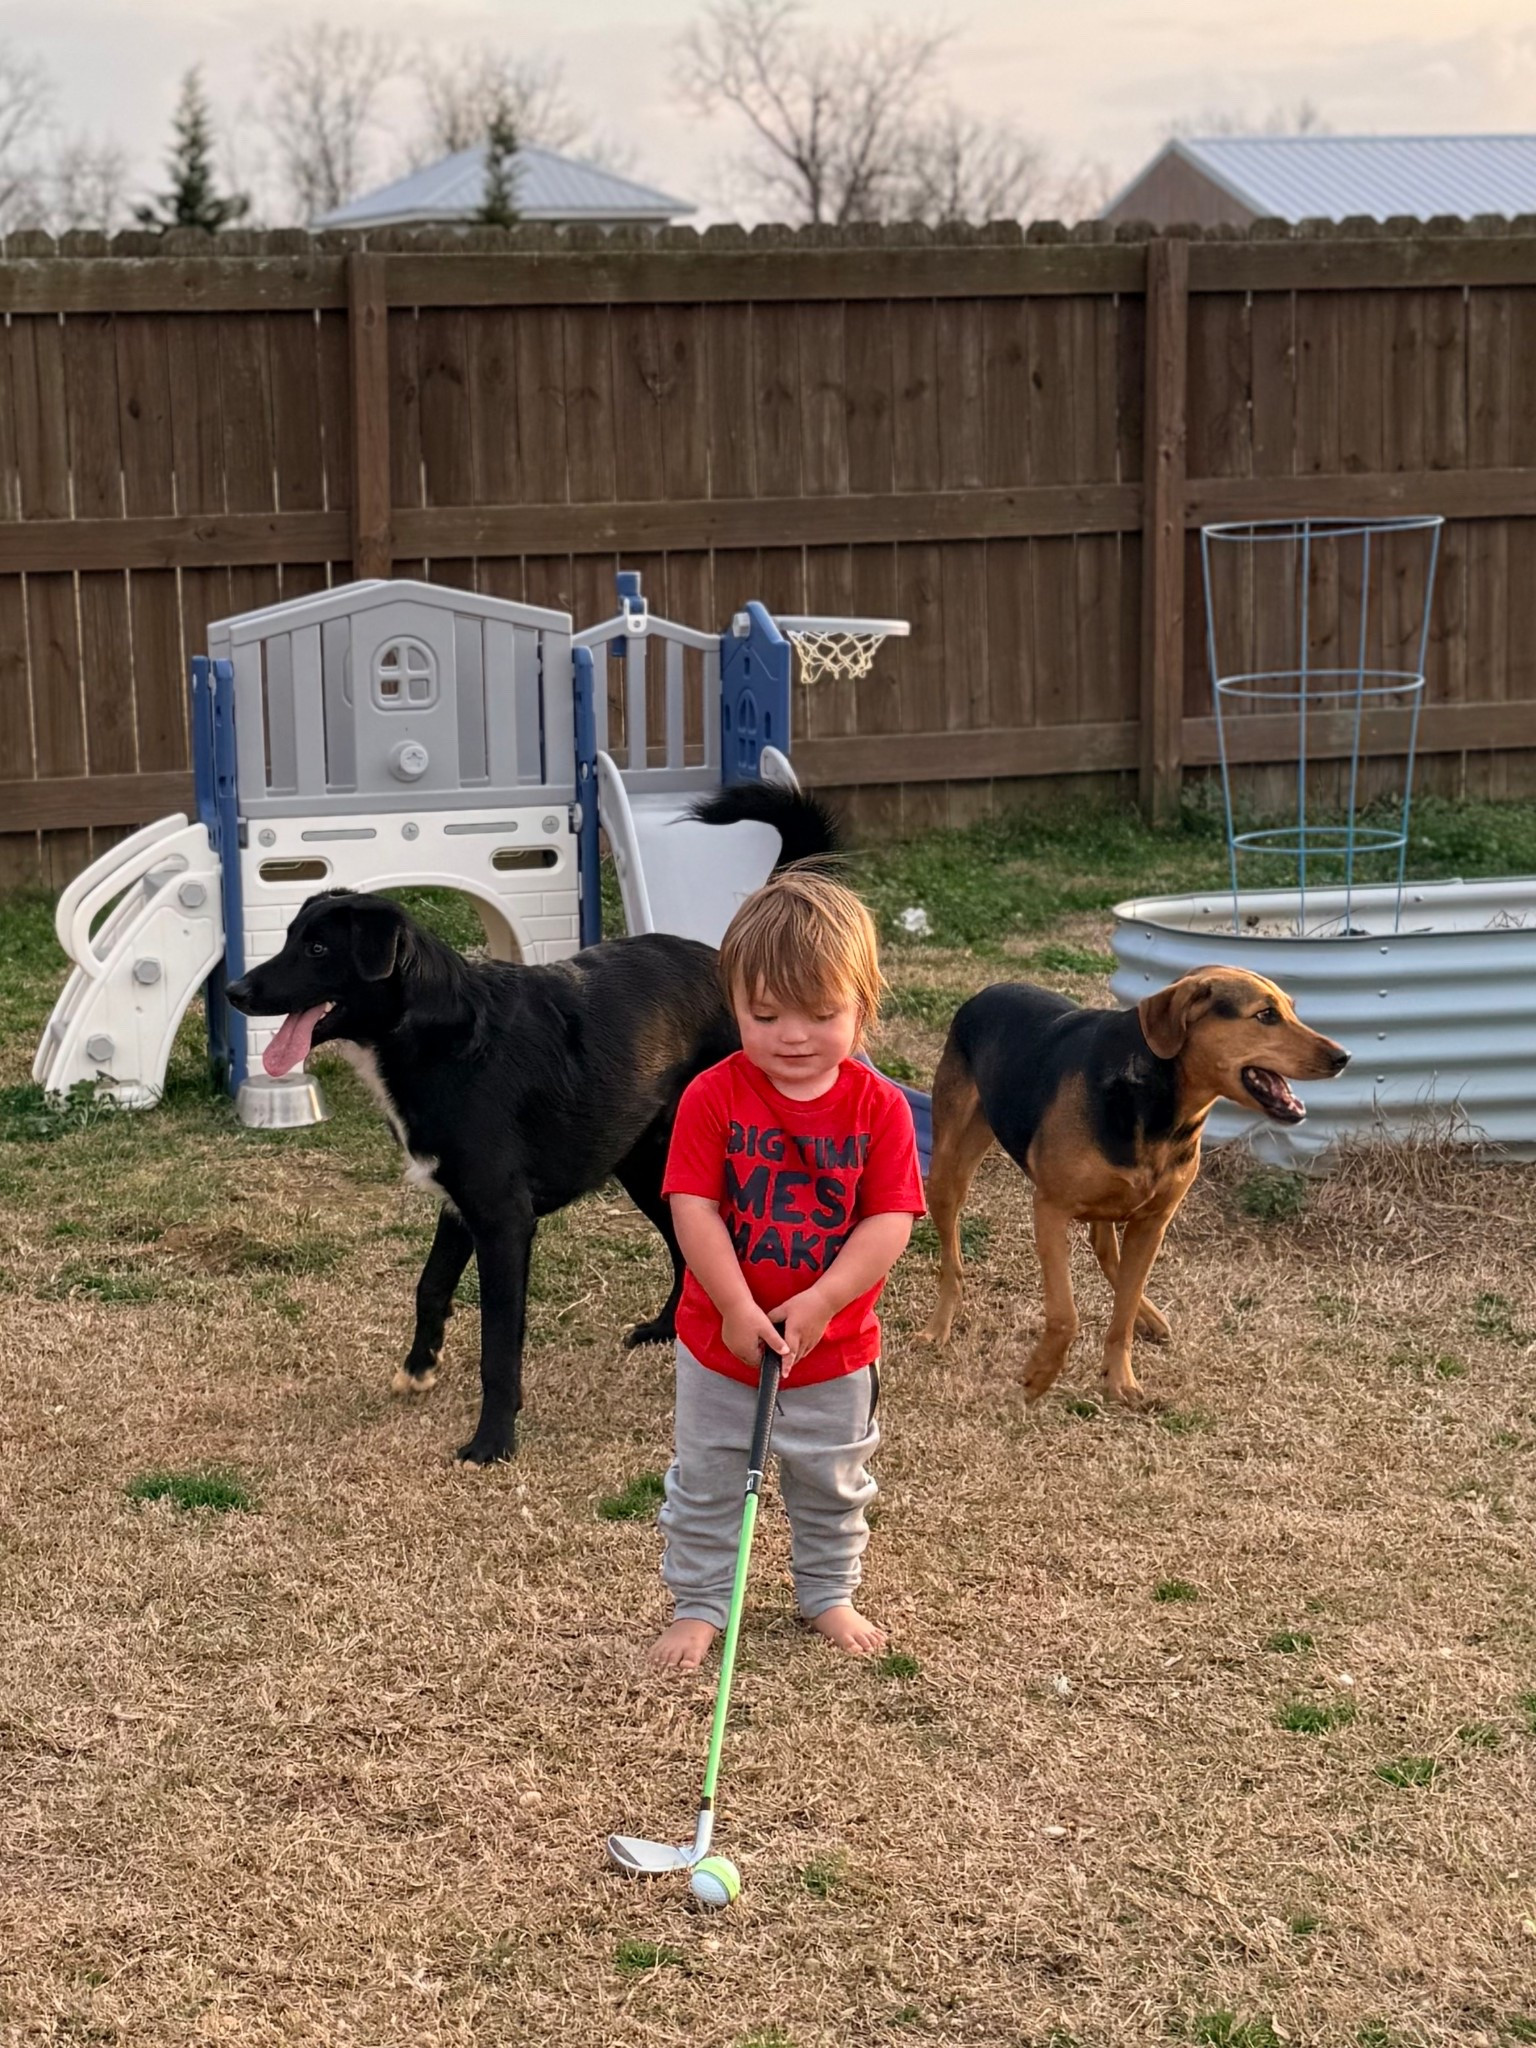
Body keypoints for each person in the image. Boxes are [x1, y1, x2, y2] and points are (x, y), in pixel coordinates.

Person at [647, 869, 925, 1672]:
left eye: (821, 1013)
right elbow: (692, 1206)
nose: (791, 1035)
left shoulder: (879, 1109)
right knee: (706, 1482)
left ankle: (827, 1594)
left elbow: (889, 1221)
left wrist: (825, 1301)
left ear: (863, 1007)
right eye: (763, 1015)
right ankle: (701, 1604)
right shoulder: (712, 1096)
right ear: (733, 1006)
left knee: (832, 1483)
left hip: (835, 1351)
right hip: (719, 1343)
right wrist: (735, 1307)